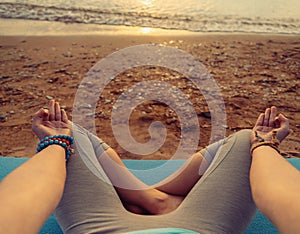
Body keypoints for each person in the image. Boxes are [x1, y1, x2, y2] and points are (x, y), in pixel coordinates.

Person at [0, 100, 298, 233]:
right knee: (248, 141)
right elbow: (284, 196)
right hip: (199, 228)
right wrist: (264, 145)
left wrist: (55, 144)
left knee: (69, 134)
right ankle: (155, 199)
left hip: (101, 229)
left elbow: (23, 201)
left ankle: (147, 197)